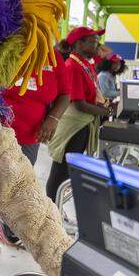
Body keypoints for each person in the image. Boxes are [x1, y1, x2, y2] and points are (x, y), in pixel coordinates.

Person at [1, 47, 70, 245]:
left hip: (30, 135)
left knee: (19, 183)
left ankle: (8, 229)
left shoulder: (53, 56)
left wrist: (53, 119)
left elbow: (65, 94)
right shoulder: (8, 46)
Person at [46, 27, 113, 201]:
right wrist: (105, 111)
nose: (97, 45)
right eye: (92, 41)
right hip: (74, 126)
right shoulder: (72, 66)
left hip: (82, 125)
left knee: (68, 170)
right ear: (79, 43)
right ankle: (52, 207)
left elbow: (107, 54)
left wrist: (105, 108)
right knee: (60, 171)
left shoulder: (85, 64)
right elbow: (80, 104)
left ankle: (56, 206)